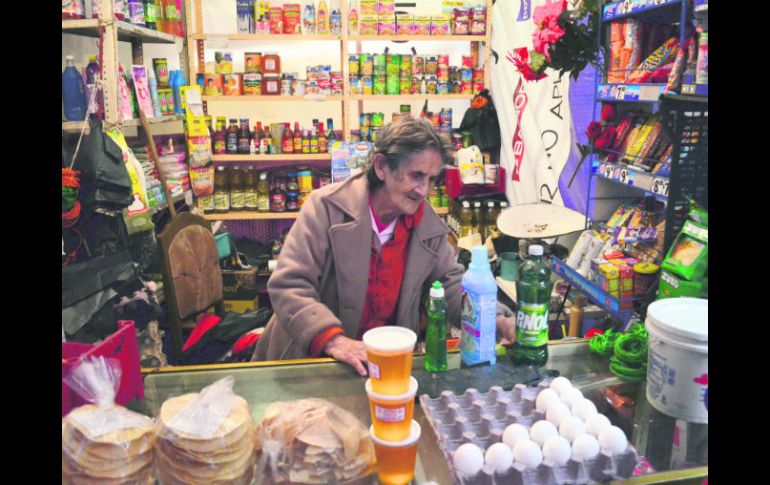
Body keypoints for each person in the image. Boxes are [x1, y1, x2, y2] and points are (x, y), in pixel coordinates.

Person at [251, 117, 516, 374]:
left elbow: (450, 284)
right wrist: (334, 341)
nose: (424, 190)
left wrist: (495, 318)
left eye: (432, 179)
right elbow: (290, 284)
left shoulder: (428, 228)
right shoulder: (326, 208)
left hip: (383, 365)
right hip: (311, 362)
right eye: (416, 175)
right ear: (381, 166)